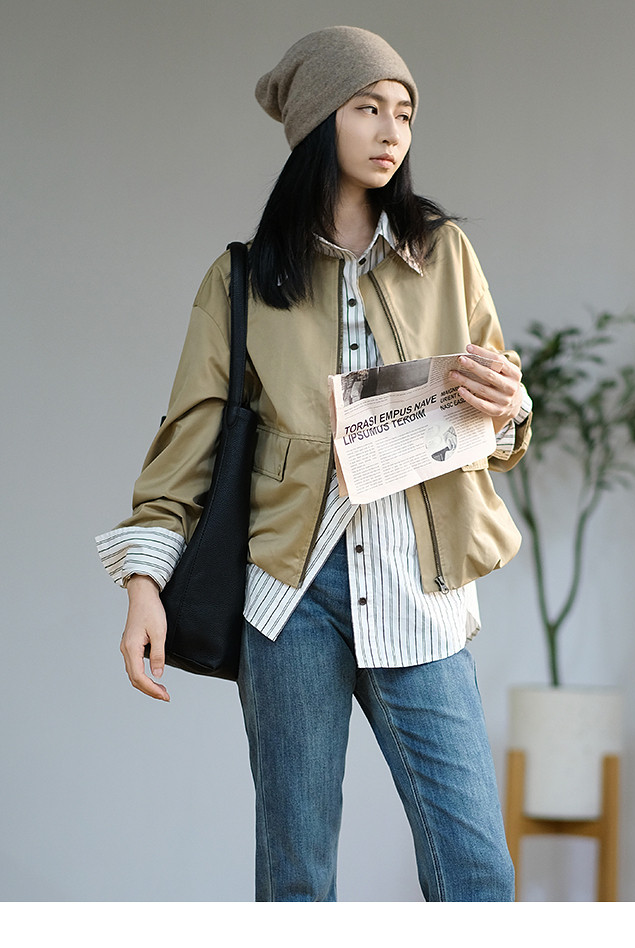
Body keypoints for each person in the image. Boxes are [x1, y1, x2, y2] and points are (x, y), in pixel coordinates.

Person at [96, 26, 532, 902]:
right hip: (290, 593)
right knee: (296, 875)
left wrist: (507, 404)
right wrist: (144, 586)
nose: (391, 130)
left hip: (417, 579)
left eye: (403, 112)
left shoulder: (443, 253)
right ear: (315, 121)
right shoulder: (241, 280)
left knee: (477, 870)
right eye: (367, 107)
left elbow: (503, 414)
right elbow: (187, 446)